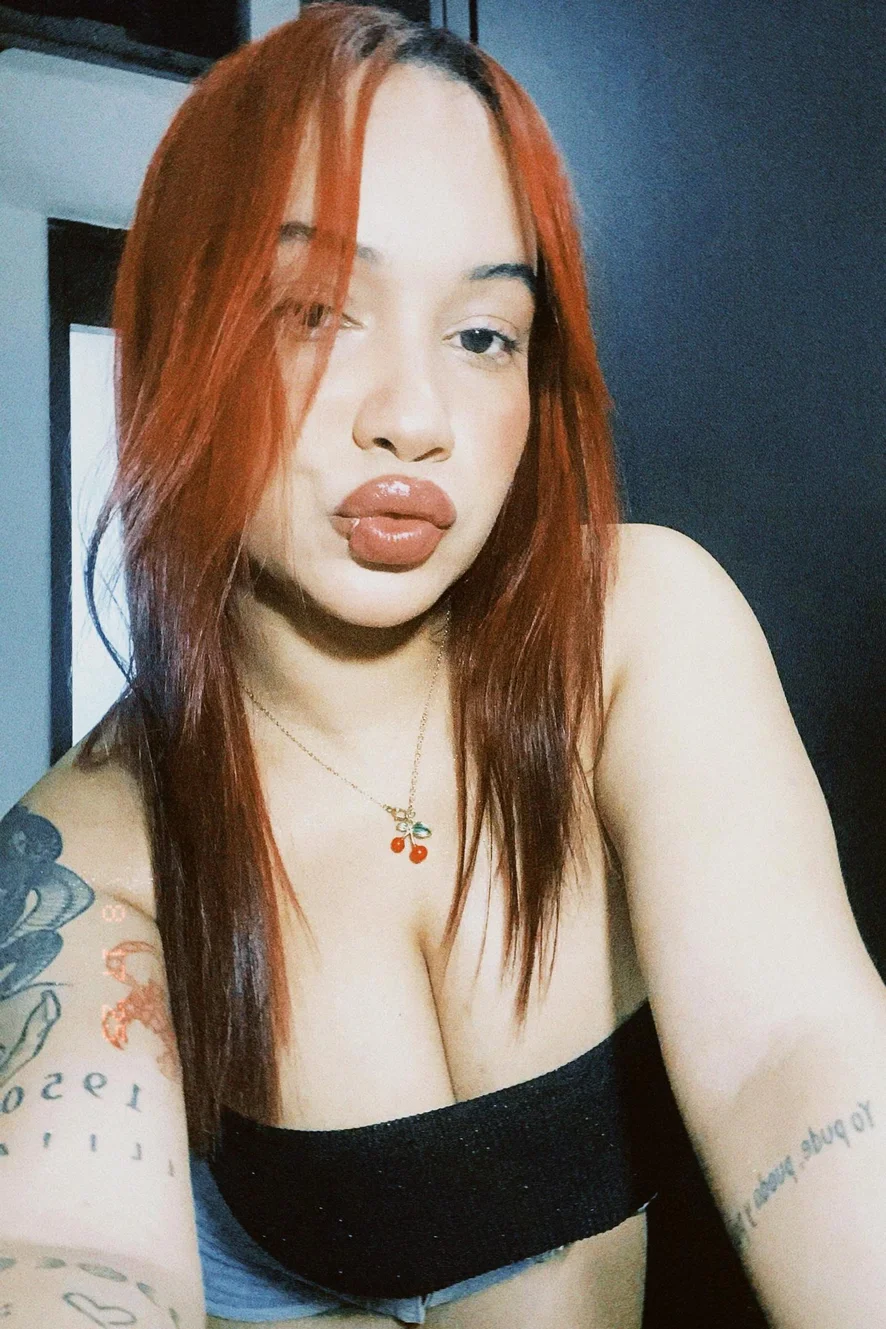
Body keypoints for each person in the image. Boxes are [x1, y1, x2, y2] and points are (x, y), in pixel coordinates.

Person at [2, 4, 885, 1326]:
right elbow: (67, 1250)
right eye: (315, 313)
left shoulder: (638, 632)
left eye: (482, 335)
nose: (415, 420)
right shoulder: (90, 857)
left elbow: (793, 1052)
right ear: (182, 338)